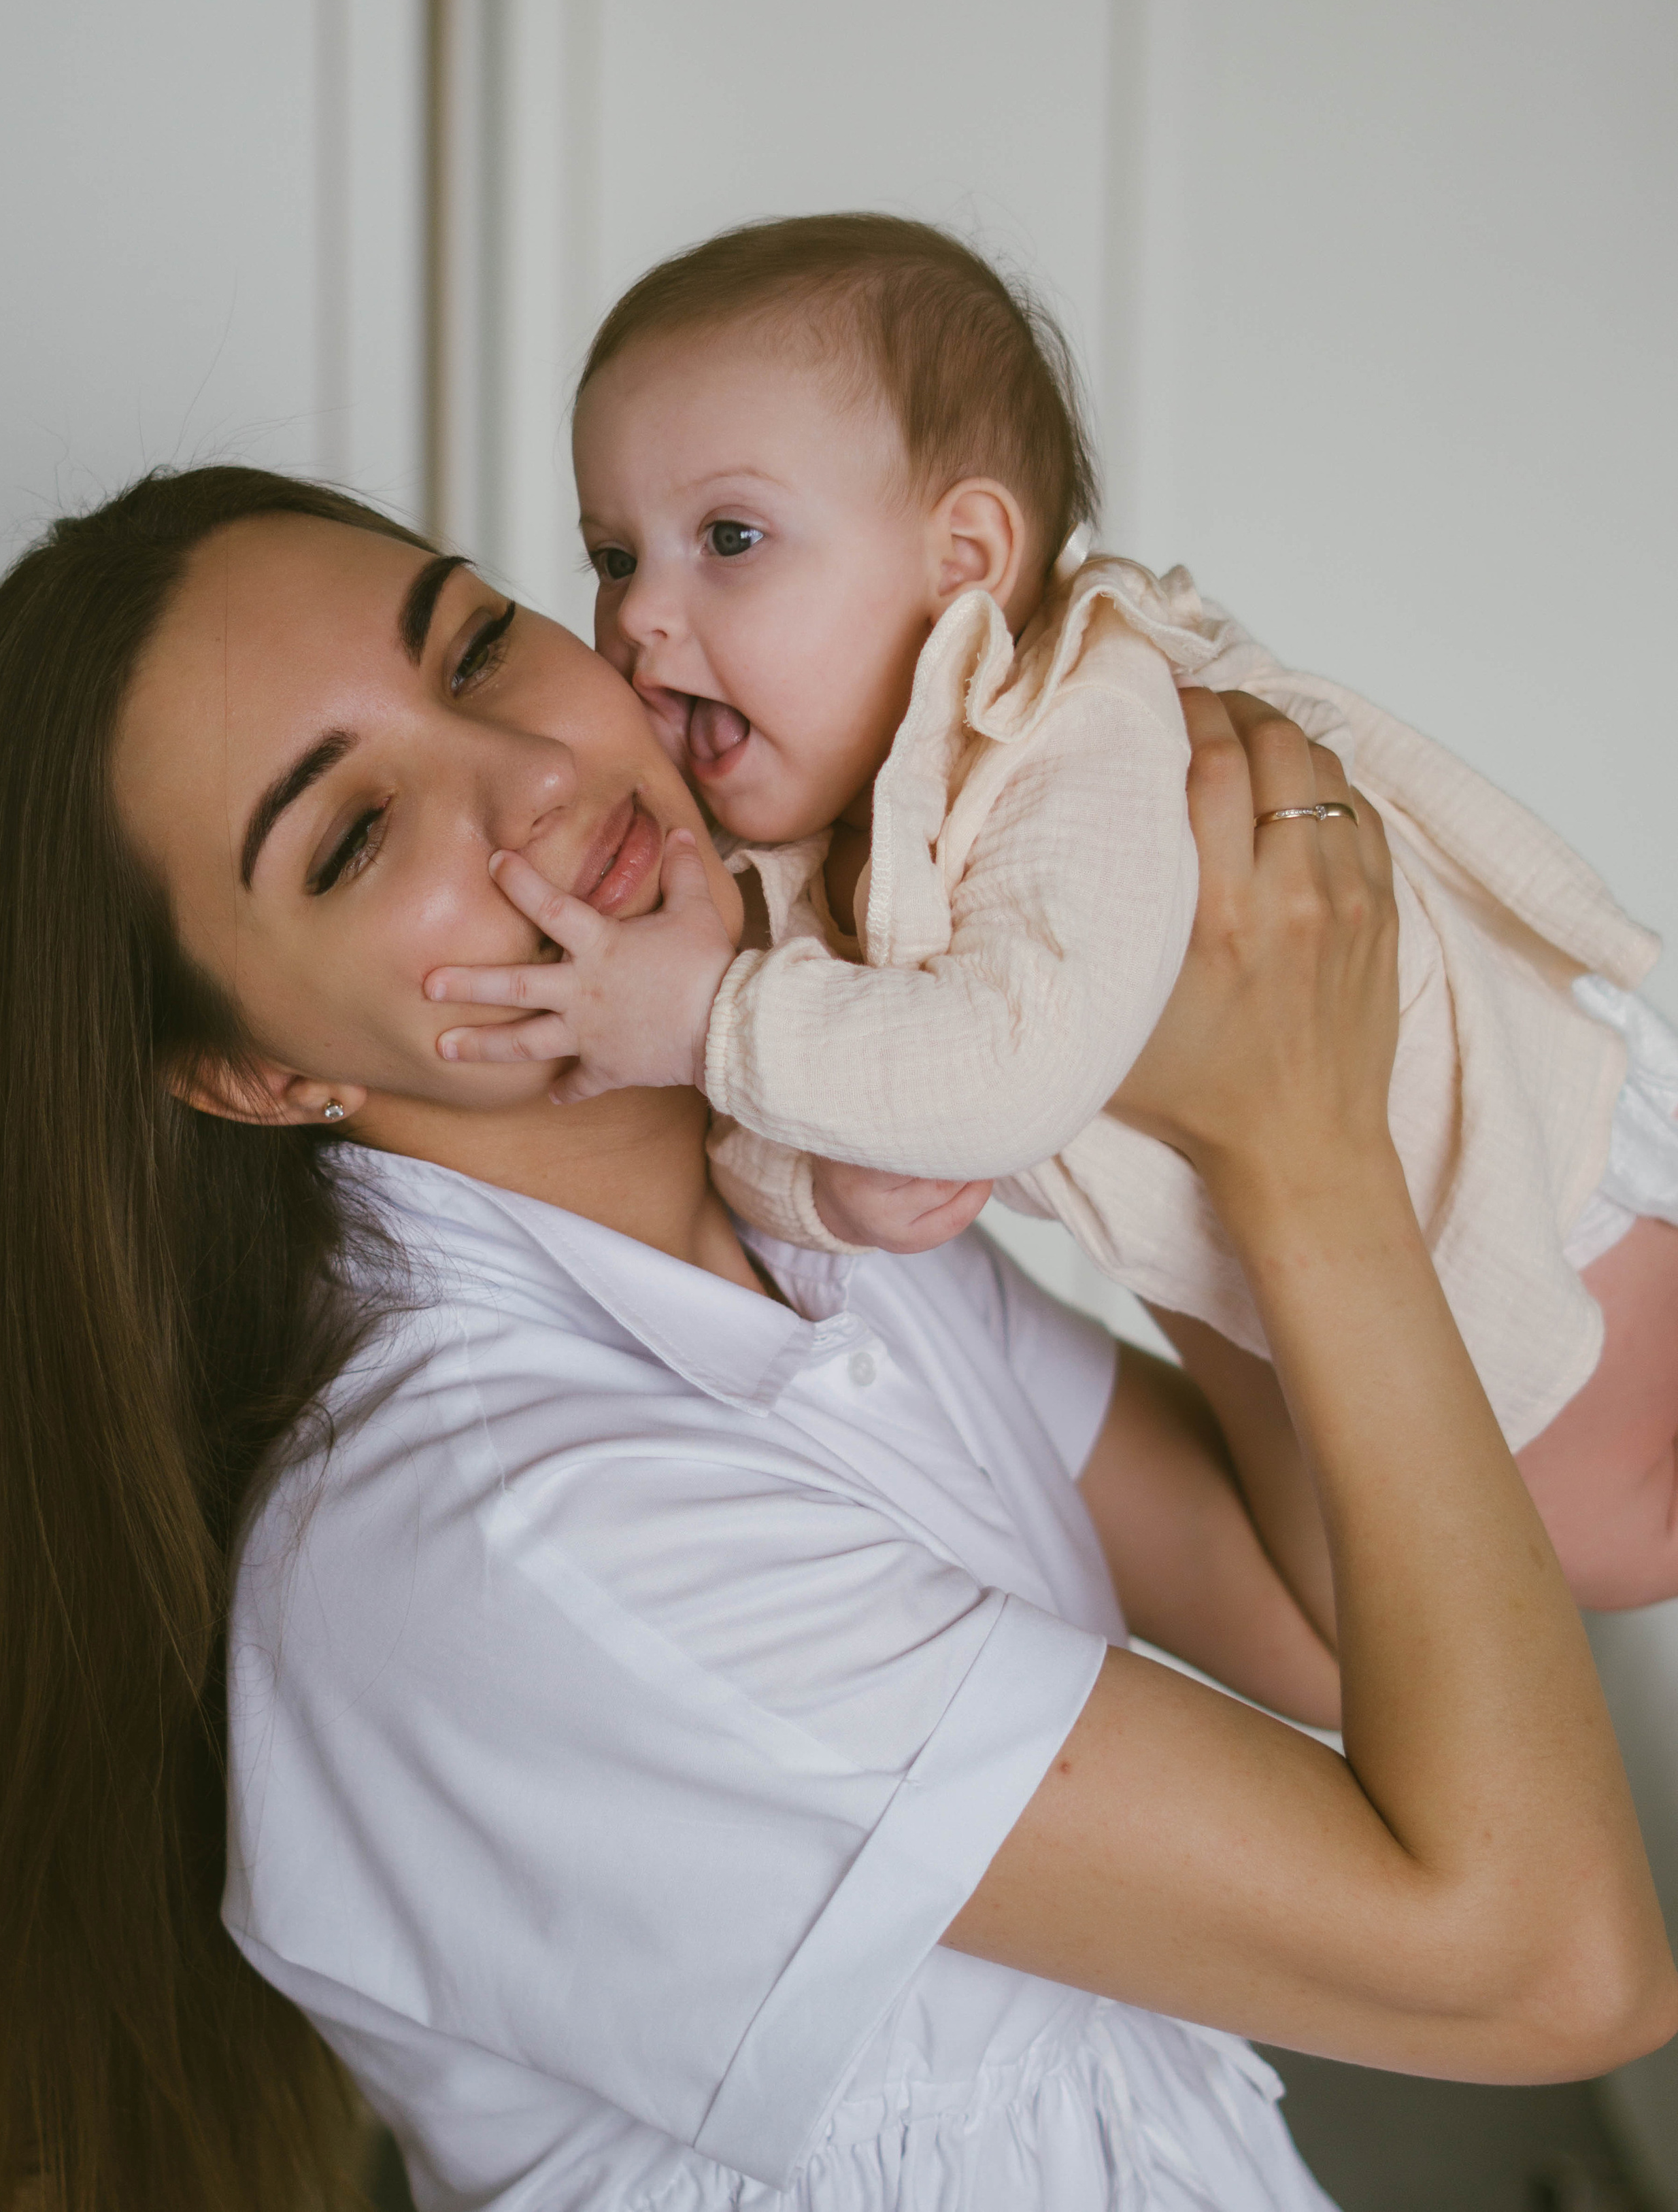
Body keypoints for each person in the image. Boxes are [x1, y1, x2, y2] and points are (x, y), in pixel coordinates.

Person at [0, 464, 1670, 2212]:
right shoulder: (512, 1536)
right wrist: (1304, 1156)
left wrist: (1109, 1025)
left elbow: (1325, 1626)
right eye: (354, 837)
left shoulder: (796, 1206)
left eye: (471, 651)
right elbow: (1548, 1965)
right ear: (259, 1075)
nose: (535, 779)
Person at [426, 213, 1678, 1623]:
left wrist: (697, 1016)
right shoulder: (781, 859)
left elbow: (1007, 1064)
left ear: (962, 559)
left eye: (727, 538)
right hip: (1350, 1311)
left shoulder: (1072, 724)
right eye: (609, 557)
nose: (642, 615)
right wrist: (825, 1193)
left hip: (1551, 1203)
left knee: (1612, 1526)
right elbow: (758, 1133)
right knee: (1470, 1584)